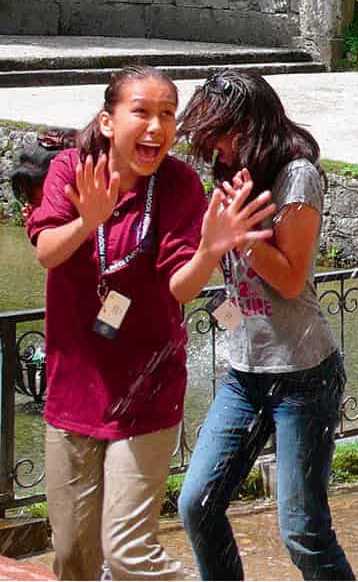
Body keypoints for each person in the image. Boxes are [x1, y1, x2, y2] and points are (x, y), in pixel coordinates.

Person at [27, 65, 273, 581]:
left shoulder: (179, 184)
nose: (157, 127)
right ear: (109, 120)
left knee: (127, 553)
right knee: (73, 556)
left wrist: (209, 250)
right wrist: (87, 221)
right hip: (73, 388)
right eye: (141, 111)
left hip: (147, 389)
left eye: (167, 114)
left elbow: (180, 287)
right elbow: (47, 253)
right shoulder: (70, 169)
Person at [177, 69, 356, 581]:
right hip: (244, 374)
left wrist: (244, 234)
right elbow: (222, 274)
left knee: (303, 530)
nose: (214, 149)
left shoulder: (296, 176)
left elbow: (292, 278)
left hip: (303, 377)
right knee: (198, 504)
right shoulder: (234, 178)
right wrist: (216, 242)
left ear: (248, 126)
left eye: (220, 136)